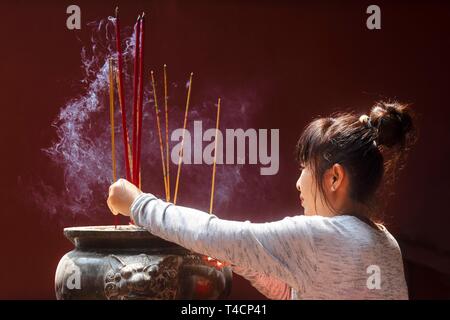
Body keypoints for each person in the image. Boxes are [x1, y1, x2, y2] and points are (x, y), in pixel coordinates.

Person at [107, 101, 416, 300]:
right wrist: (245, 260)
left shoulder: (320, 237)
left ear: (334, 178)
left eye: (306, 169)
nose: (298, 183)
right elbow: (297, 292)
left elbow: (210, 234)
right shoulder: (385, 243)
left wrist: (137, 202)